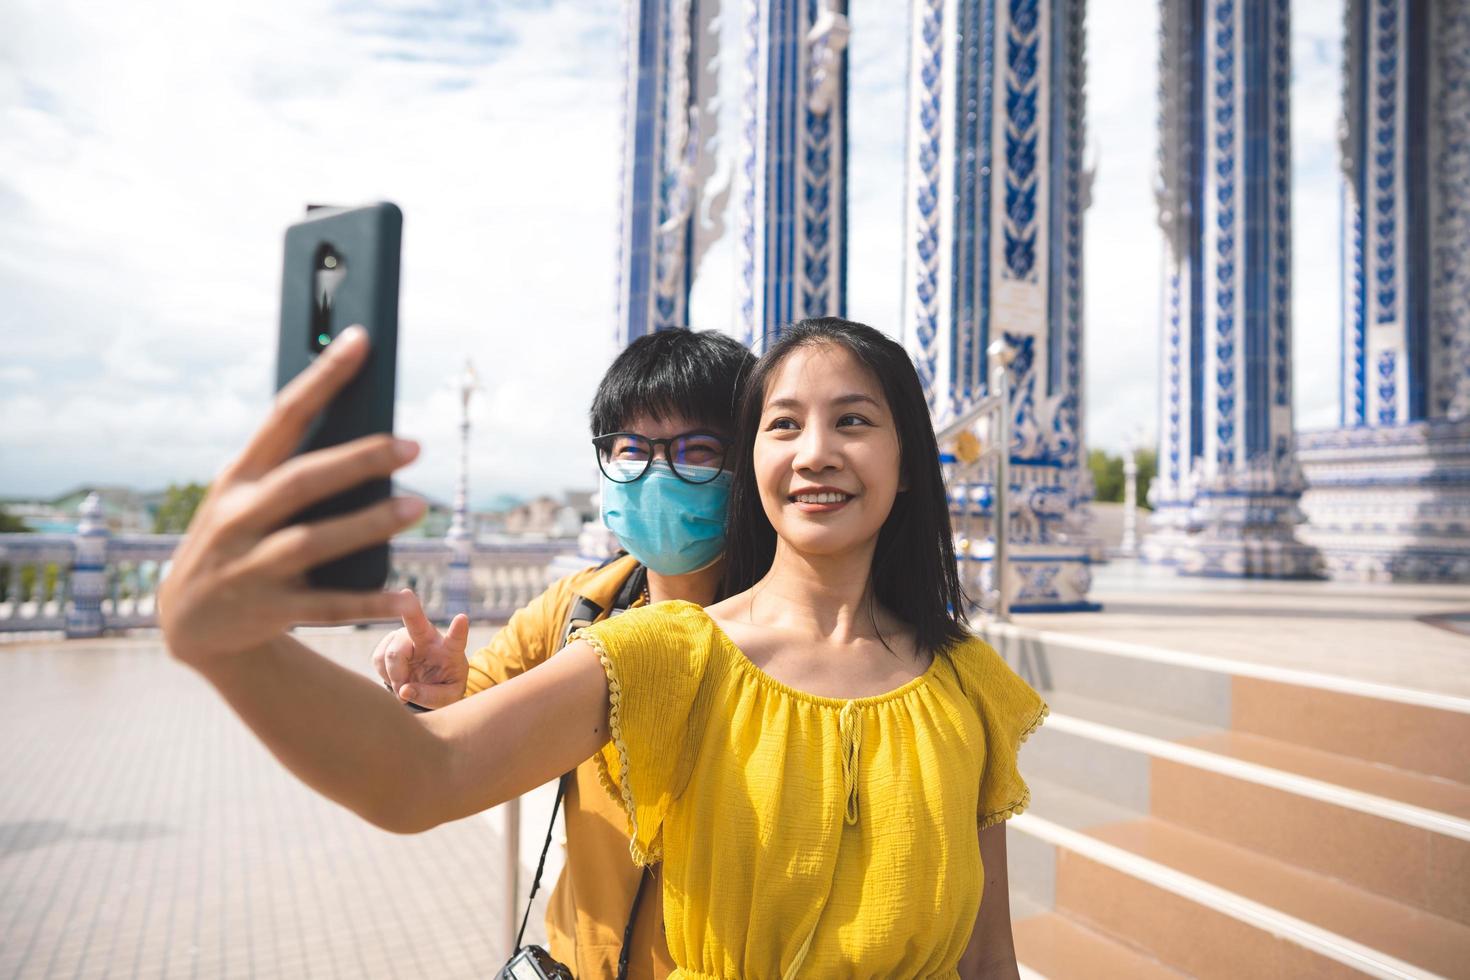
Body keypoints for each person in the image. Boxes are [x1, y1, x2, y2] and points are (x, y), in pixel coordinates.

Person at [160, 316, 1045, 978]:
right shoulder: (658, 645)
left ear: (908, 453)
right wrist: (234, 645)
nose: (815, 452)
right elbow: (421, 772)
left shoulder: (968, 686)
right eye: (784, 424)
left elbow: (988, 959)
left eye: (853, 420)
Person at [371, 328, 755, 979]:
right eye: (631, 451)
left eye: (696, 451)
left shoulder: (788, 630)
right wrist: (430, 692)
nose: (657, 474)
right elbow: (458, 717)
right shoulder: (578, 608)